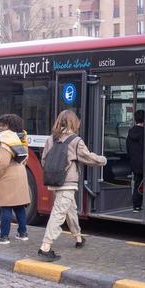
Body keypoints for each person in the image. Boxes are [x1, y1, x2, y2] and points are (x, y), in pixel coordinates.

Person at [38, 110, 107, 262]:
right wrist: (103, 160)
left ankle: (78, 238)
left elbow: (44, 160)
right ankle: (45, 246)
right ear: (74, 123)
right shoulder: (75, 140)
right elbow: (88, 158)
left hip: (54, 181)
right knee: (58, 213)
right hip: (68, 183)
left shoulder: (51, 139)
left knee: (71, 210)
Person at [0, 114, 31, 245]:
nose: (1, 128)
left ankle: (3, 236)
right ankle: (22, 233)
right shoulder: (20, 138)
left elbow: (3, 162)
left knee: (6, 206)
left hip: (7, 177)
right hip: (19, 175)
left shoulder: (6, 140)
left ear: (10, 126)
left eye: (4, 125)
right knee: (18, 206)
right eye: (0, 125)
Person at [126, 109, 145, 212]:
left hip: (134, 162)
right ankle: (143, 204)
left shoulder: (130, 132)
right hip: (144, 163)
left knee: (137, 183)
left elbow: (128, 148)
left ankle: (136, 205)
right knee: (144, 184)